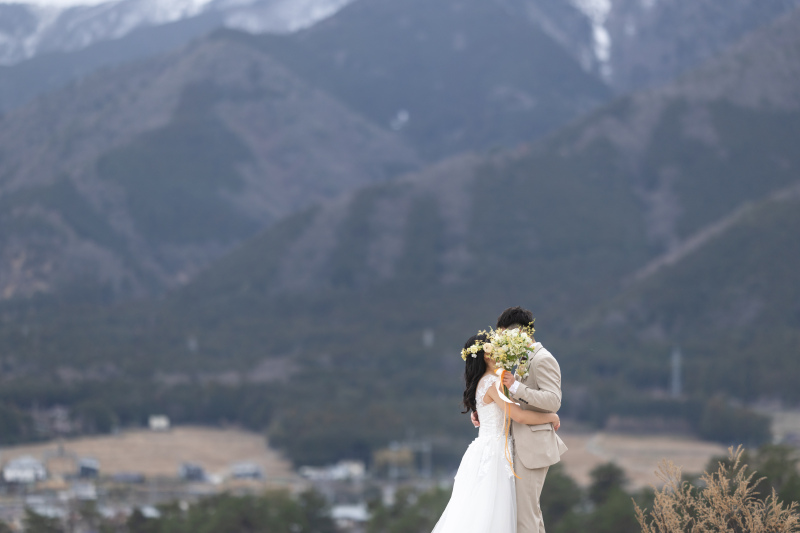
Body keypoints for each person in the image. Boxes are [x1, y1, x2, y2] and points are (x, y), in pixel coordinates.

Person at [431, 334, 560, 533]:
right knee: (495, 511)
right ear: (486, 356)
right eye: (496, 348)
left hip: (484, 448)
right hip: (496, 452)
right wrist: (551, 417)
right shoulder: (493, 383)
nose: (501, 352)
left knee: (478, 509)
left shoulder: (483, 382)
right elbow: (518, 416)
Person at [471, 306, 567, 533]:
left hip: (532, 447)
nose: (501, 342)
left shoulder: (543, 359)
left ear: (518, 332)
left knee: (525, 516)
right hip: (519, 444)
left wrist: (515, 385)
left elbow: (553, 400)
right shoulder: (523, 357)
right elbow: (519, 402)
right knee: (528, 515)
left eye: (504, 335)